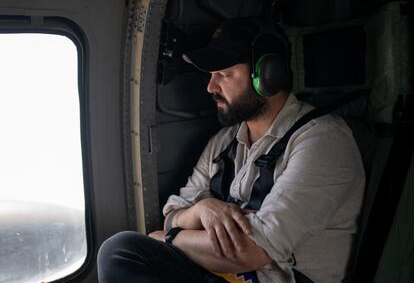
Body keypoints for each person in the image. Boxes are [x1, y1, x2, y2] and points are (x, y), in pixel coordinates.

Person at [97, 18, 365, 283]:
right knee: (122, 253)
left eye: (223, 75)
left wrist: (170, 238)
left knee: (124, 250)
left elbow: (249, 251)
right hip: (220, 273)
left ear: (267, 75)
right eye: (211, 76)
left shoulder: (322, 140)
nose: (210, 87)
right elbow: (172, 216)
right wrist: (202, 210)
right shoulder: (224, 142)